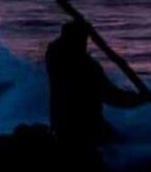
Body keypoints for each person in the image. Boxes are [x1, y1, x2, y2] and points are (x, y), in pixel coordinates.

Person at [45, 20, 145, 161]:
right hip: (88, 128)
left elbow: (57, 46)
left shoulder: (54, 56)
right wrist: (140, 99)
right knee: (125, 147)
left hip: (60, 126)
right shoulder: (87, 67)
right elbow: (112, 97)